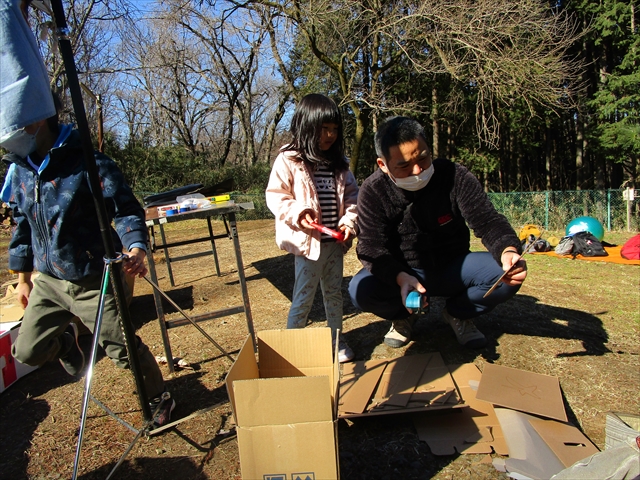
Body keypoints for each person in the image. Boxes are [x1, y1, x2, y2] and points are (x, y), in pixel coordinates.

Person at [1, 104, 174, 428]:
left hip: (94, 279)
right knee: (26, 352)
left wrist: (135, 246)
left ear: (35, 119)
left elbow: (125, 208)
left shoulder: (86, 161)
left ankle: (158, 396)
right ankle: (67, 342)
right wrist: (23, 278)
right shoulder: (20, 169)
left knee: (122, 350)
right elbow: (22, 226)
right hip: (49, 281)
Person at [349, 116, 527, 349]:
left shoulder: (455, 175)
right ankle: (403, 316)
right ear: (383, 165)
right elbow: (371, 246)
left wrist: (507, 250)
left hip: (454, 267)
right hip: (404, 271)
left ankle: (458, 313)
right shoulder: (373, 190)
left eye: (423, 157)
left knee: (505, 276)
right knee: (360, 290)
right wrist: (400, 277)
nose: (417, 170)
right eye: (403, 165)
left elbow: (487, 220)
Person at [266, 94, 359, 363]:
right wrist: (298, 212)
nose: (329, 135)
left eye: (334, 129)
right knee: (303, 297)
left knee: (334, 294)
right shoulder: (289, 159)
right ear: (307, 127)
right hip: (308, 246)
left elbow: (352, 197)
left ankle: (337, 340)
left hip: (334, 244)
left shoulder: (339, 162)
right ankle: (292, 345)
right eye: (323, 129)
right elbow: (276, 195)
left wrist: (348, 222)